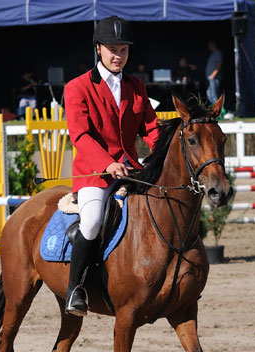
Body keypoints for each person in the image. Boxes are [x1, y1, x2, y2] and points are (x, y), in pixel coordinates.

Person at [63, 15, 160, 316]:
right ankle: (75, 289)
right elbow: (80, 135)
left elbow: (151, 128)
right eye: (113, 50)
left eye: (124, 50)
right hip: (95, 173)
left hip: (132, 169)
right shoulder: (77, 87)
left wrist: (166, 151)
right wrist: (108, 163)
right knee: (91, 220)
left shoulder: (137, 85)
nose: (119, 56)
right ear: (98, 49)